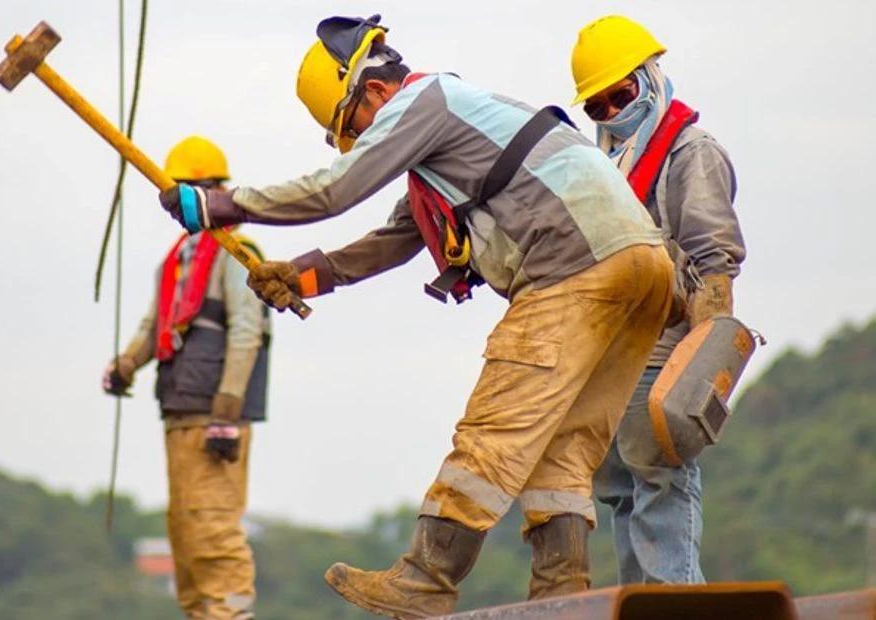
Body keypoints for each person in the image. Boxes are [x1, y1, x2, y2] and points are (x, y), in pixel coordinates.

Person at [159, 15, 673, 618]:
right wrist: (299, 276)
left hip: (573, 267)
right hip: (640, 266)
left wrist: (224, 204)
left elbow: (335, 189)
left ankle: (426, 579)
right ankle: (562, 598)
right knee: (563, 450)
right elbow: (397, 237)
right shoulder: (459, 125)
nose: (360, 143)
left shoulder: (423, 101)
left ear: (374, 92)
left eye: (352, 127)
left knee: (490, 435)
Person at [572, 15, 746, 585]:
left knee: (661, 483)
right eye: (597, 107)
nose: (612, 113)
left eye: (619, 95)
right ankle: (642, 605)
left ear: (648, 79)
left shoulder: (690, 153)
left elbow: (715, 263)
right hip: (616, 357)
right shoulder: (608, 168)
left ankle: (675, 605)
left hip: (667, 353)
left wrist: (697, 369)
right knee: (620, 488)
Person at [103, 135, 270, 620]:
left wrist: (226, 411)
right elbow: (156, 324)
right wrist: (124, 366)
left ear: (214, 191)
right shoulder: (179, 258)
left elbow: (245, 332)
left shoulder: (237, 252)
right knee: (186, 537)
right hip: (178, 411)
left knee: (214, 532)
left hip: (214, 417)